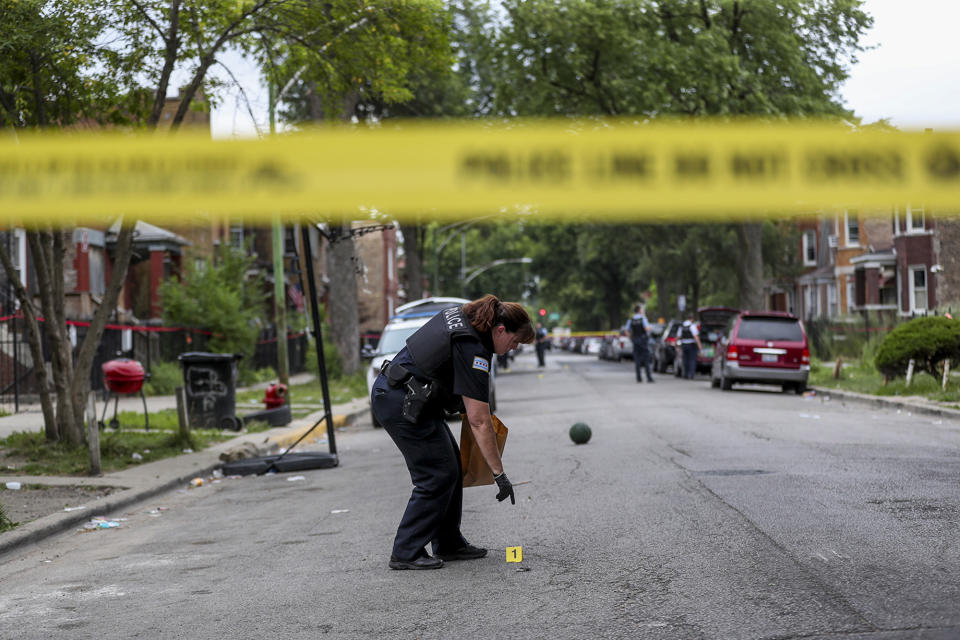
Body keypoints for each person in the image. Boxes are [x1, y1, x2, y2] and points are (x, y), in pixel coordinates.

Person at [370, 294, 535, 570]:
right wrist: (499, 474)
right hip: (399, 401)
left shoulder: (466, 319)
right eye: (514, 342)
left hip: (412, 398)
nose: (512, 348)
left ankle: (448, 542)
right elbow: (479, 420)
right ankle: (406, 550)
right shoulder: (473, 346)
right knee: (436, 474)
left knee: (452, 467)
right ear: (501, 329)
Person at [626, 304, 654, 383]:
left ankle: (638, 378)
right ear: (639, 310)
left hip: (635, 340)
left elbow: (627, 330)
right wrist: (650, 329)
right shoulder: (643, 319)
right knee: (646, 359)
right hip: (643, 341)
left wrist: (631, 338)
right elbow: (647, 328)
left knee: (637, 360)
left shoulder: (631, 320)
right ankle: (649, 377)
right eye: (641, 309)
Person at [678, 312, 702, 379]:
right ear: (692, 318)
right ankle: (691, 374)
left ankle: (685, 374)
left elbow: (678, 336)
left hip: (684, 344)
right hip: (691, 345)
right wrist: (699, 345)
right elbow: (696, 336)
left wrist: (676, 344)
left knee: (685, 360)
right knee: (692, 360)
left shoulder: (682, 325)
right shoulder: (692, 326)